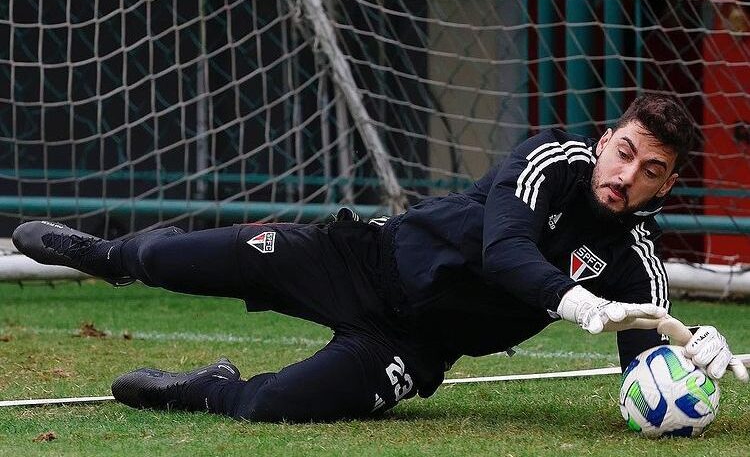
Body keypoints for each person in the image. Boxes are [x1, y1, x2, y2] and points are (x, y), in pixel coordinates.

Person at [12, 94, 747, 423]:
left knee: (273, 407)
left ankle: (204, 388)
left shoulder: (639, 263)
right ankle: (107, 254)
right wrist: (578, 303)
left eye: (650, 169)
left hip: (414, 347)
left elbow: (643, 369)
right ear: (607, 138)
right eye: (624, 152)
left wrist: (685, 353)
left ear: (668, 181)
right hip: (361, 258)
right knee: (175, 260)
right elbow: (506, 250)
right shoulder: (550, 160)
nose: (626, 175)